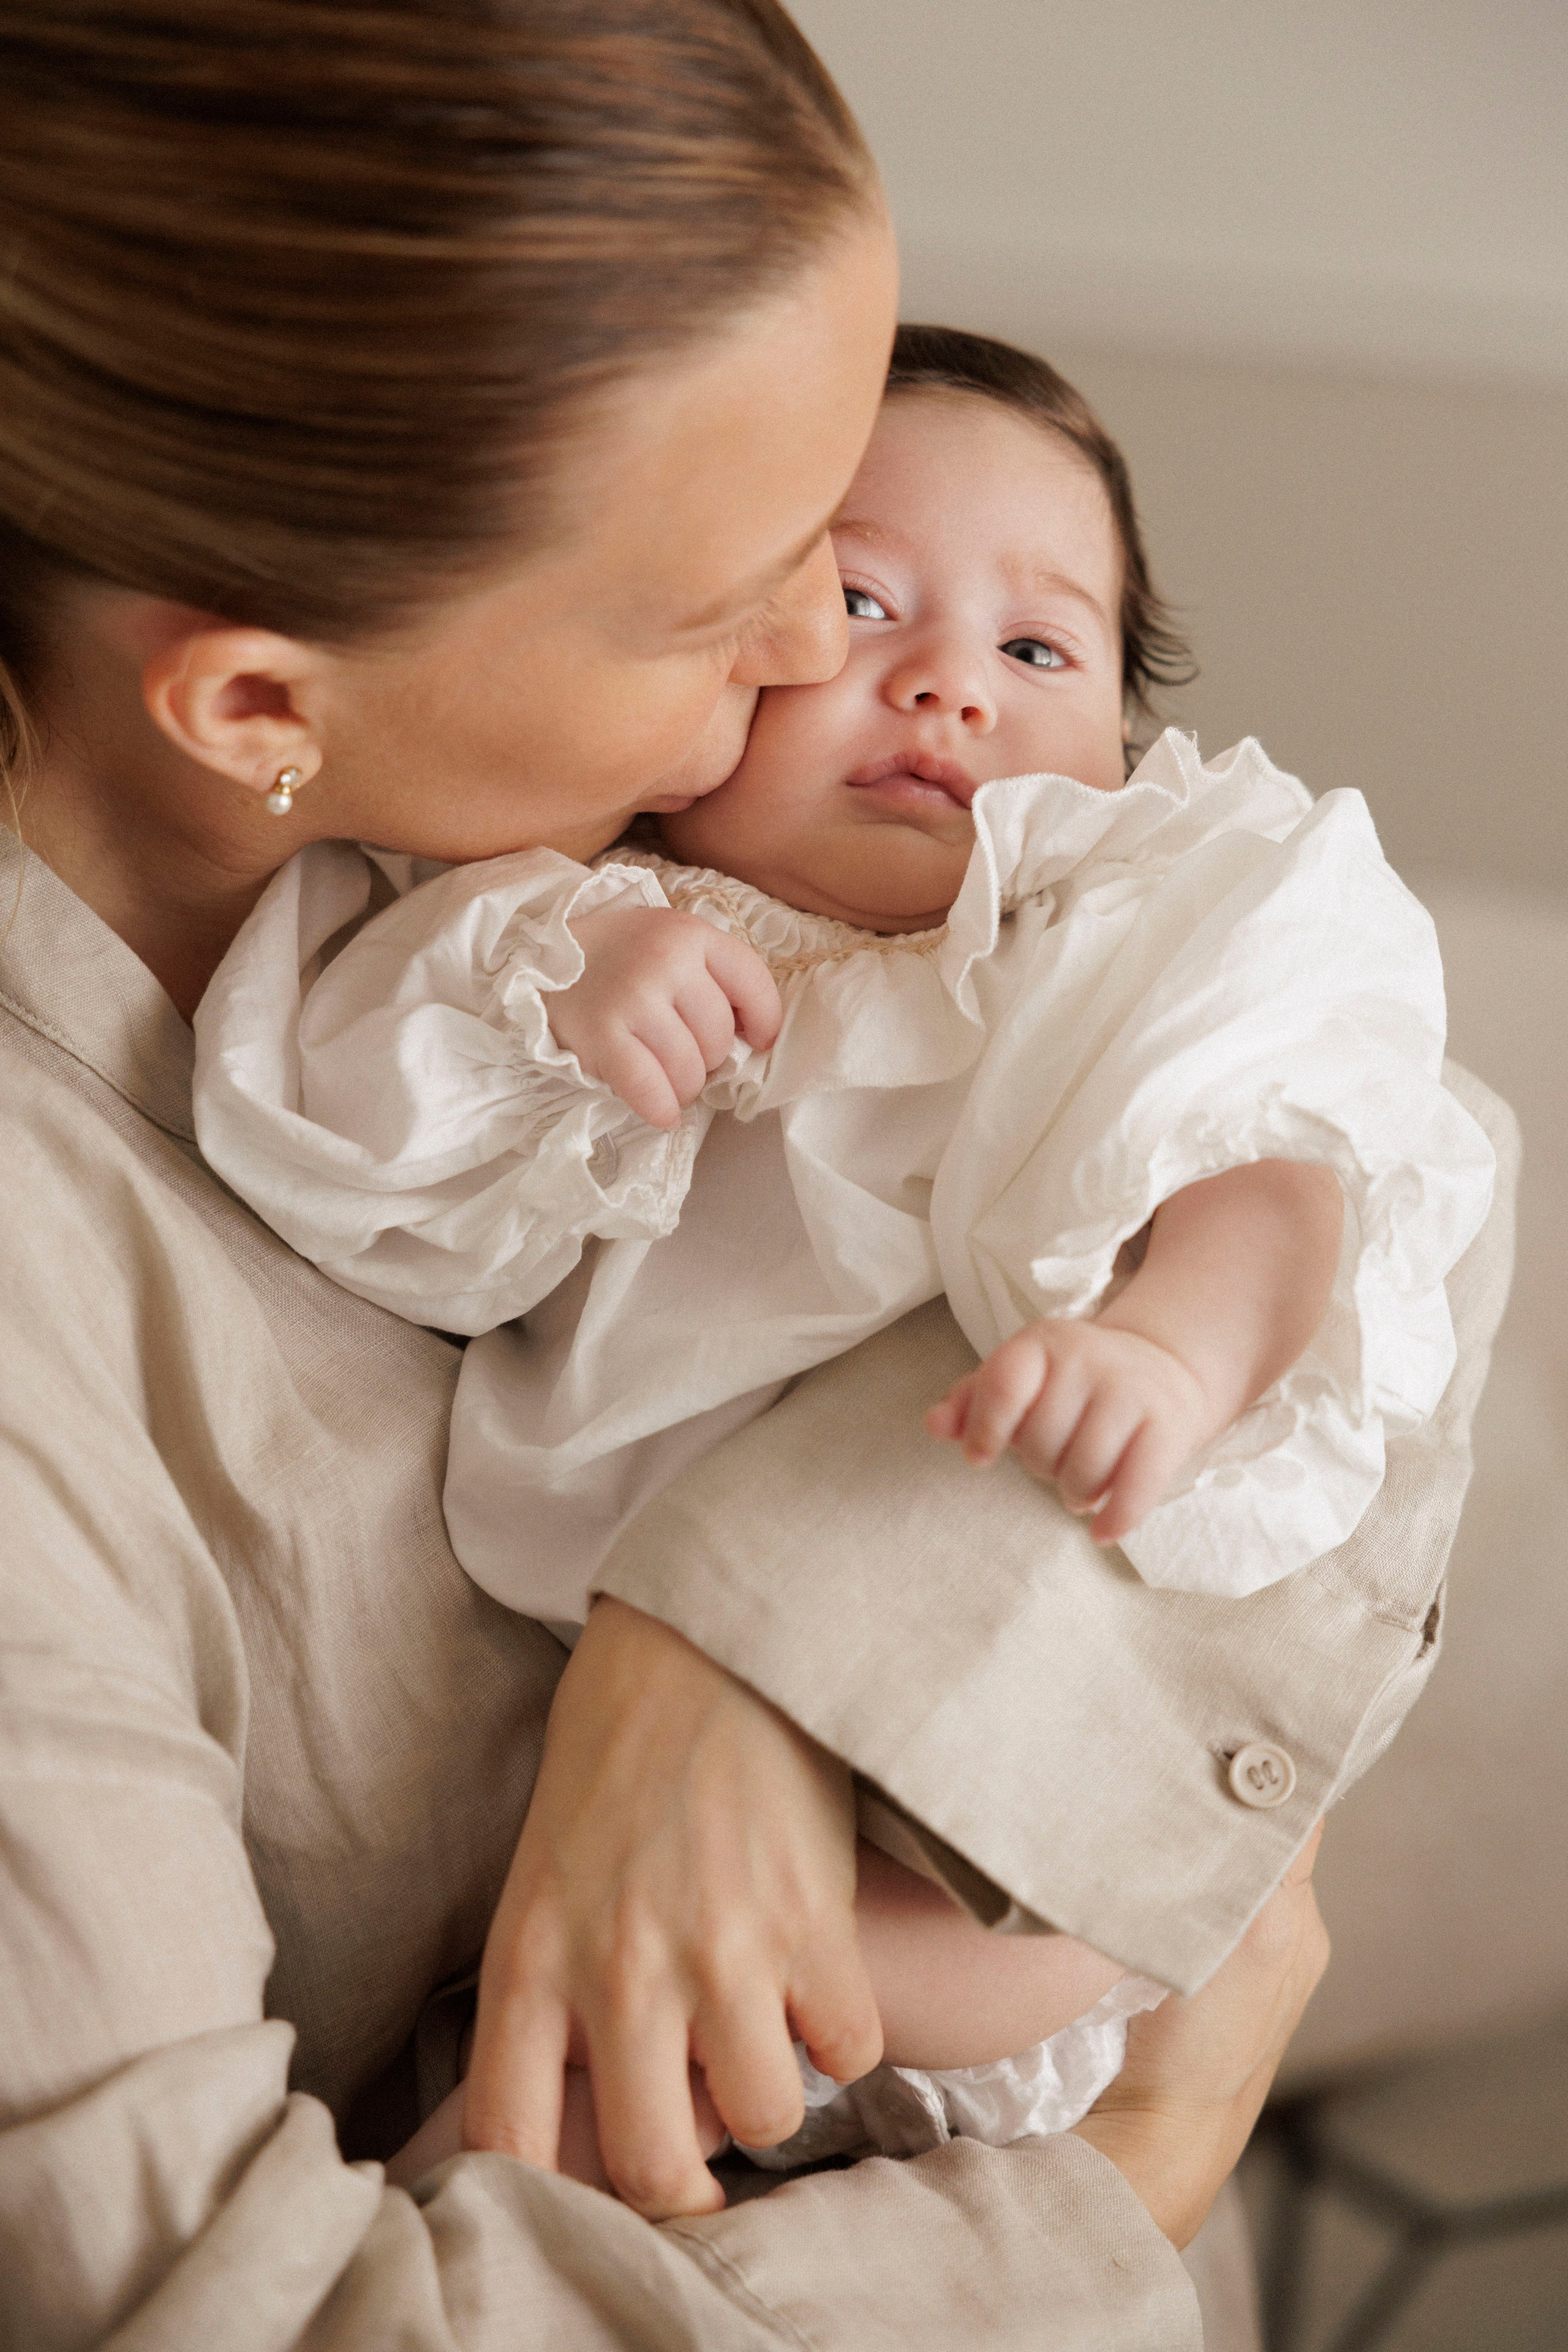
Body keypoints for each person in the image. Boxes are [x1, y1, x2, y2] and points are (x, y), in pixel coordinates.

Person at [0, 4, 1513, 2346]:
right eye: (740, 606)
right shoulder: (368, 1053)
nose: (848, 652)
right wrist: (1135, 2173)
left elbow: (1369, 1161)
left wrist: (725, 1638)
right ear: (259, 708)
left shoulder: (950, 902)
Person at [190, 325, 1493, 2179]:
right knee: (576, 2010)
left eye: (1039, 649)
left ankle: (553, 2130)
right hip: (574, 1718)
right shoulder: (578, 909)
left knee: (1042, 1929)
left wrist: (1170, 1348)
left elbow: (1292, 1166)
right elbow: (332, 1135)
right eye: (862, 603)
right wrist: (562, 992)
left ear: (1126, 740)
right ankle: (532, 2146)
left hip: (997, 1698)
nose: (948, 688)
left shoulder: (1123, 933)